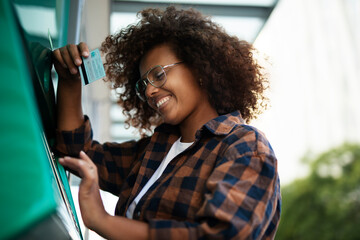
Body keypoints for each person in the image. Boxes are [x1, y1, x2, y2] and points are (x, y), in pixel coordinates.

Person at [53, 6, 281, 240]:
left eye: (158, 74)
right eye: (143, 85)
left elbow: (220, 236)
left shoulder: (246, 148)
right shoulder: (155, 151)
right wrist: (70, 81)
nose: (150, 91)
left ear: (200, 69)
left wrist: (103, 221)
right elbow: (75, 153)